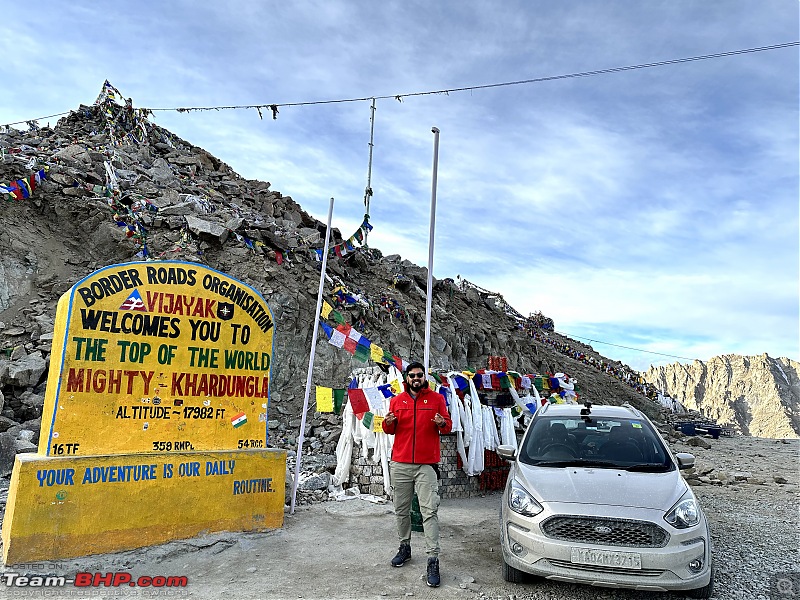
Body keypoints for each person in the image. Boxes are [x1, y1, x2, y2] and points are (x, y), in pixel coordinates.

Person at [382, 361, 452, 587]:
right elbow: (389, 429)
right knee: (400, 510)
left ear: (424, 377)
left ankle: (433, 558)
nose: (416, 378)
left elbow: (448, 426)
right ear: (406, 378)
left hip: (426, 465)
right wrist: (387, 423)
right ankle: (405, 547)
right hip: (400, 464)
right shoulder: (396, 400)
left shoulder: (437, 399)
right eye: (412, 375)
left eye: (420, 375)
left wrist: (443, 422)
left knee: (429, 511)